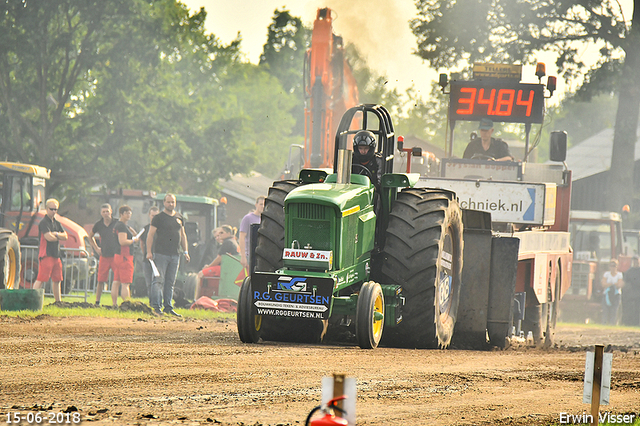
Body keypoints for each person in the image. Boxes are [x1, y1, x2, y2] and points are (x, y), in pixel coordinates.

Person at [146, 194, 190, 317]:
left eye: (173, 202)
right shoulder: (158, 218)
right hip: (160, 254)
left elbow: (182, 235)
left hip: (175, 254)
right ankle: (156, 307)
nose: (171, 204)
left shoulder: (179, 217)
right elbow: (150, 235)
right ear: (164, 203)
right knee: (158, 281)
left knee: (170, 282)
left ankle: (168, 307)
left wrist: (185, 251)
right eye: (169, 202)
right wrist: (149, 252)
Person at [33, 199, 68, 302]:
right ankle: (34, 300)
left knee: (57, 279)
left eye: (55, 209)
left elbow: (65, 236)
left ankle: (58, 302)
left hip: (56, 255)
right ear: (47, 209)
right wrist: (58, 236)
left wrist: (56, 234)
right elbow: (48, 237)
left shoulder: (57, 222)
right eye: (51, 209)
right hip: (46, 254)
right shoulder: (43, 222)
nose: (54, 211)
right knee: (41, 278)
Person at [194, 225, 239, 299]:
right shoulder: (233, 241)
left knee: (201, 274)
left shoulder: (227, 242)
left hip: (225, 269)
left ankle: (196, 299)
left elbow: (219, 258)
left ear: (228, 233)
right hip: (231, 269)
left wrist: (209, 266)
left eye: (222, 233)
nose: (219, 235)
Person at [89, 204, 120, 306]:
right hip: (104, 255)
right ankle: (97, 302)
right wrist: (96, 248)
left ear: (111, 211)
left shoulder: (117, 222)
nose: (106, 214)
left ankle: (115, 303)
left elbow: (128, 230)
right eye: (104, 212)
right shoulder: (98, 224)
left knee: (117, 279)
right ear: (101, 213)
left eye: (107, 211)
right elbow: (90, 236)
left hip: (116, 255)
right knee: (101, 280)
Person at [111, 205, 139, 308]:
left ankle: (114, 304)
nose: (129, 215)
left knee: (116, 281)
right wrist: (133, 240)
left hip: (118, 256)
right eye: (126, 213)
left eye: (130, 213)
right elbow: (122, 241)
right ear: (121, 214)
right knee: (125, 283)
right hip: (125, 256)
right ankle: (127, 305)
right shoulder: (122, 226)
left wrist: (133, 234)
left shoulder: (120, 225)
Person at [139, 206, 160, 304]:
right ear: (149, 215)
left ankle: (158, 303)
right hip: (147, 260)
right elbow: (141, 242)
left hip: (159, 259)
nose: (154, 218)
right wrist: (146, 253)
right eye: (153, 216)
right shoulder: (146, 228)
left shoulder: (162, 229)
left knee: (157, 283)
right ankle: (151, 303)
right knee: (149, 283)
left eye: (156, 216)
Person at [239, 196, 265, 270]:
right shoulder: (248, 218)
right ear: (256, 205)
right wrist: (243, 256)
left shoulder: (266, 220)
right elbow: (242, 237)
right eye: (261, 204)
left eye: (264, 204)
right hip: (249, 255)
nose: (263, 206)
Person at [601, 258, 624, 325]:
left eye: (614, 265)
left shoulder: (619, 275)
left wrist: (609, 284)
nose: (613, 267)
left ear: (617, 266)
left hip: (616, 295)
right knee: (605, 310)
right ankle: (604, 324)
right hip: (607, 295)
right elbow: (603, 284)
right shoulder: (606, 274)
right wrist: (613, 284)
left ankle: (612, 324)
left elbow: (619, 284)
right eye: (611, 265)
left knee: (614, 310)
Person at [622, 256, 640, 326]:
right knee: (632, 310)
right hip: (632, 295)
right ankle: (632, 323)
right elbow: (625, 282)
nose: (635, 262)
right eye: (634, 261)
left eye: (637, 261)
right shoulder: (629, 271)